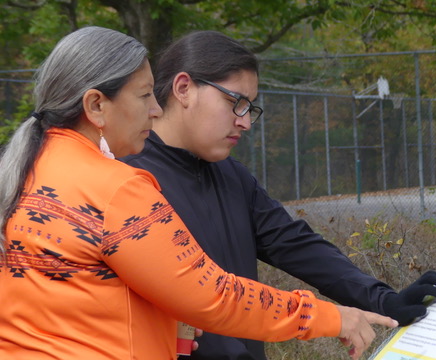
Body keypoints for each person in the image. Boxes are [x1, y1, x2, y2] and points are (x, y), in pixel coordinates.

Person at [0, 26, 399, 360]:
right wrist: (329, 317)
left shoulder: (24, 173)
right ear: (96, 105)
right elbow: (217, 297)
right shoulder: (117, 188)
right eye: (143, 97)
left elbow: (66, 303)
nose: (154, 109)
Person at [121, 30, 436, 360]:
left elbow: (294, 243)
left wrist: (382, 298)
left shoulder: (230, 175)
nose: (245, 122)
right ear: (183, 89)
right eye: (235, 102)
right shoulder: (127, 183)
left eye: (249, 107)